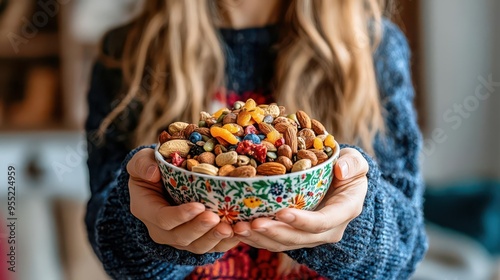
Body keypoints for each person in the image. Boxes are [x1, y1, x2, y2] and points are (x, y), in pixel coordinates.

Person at [85, 0, 427, 279]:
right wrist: (145, 231)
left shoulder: (373, 46)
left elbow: (405, 250)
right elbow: (110, 245)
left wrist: (356, 223)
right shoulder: (127, 53)